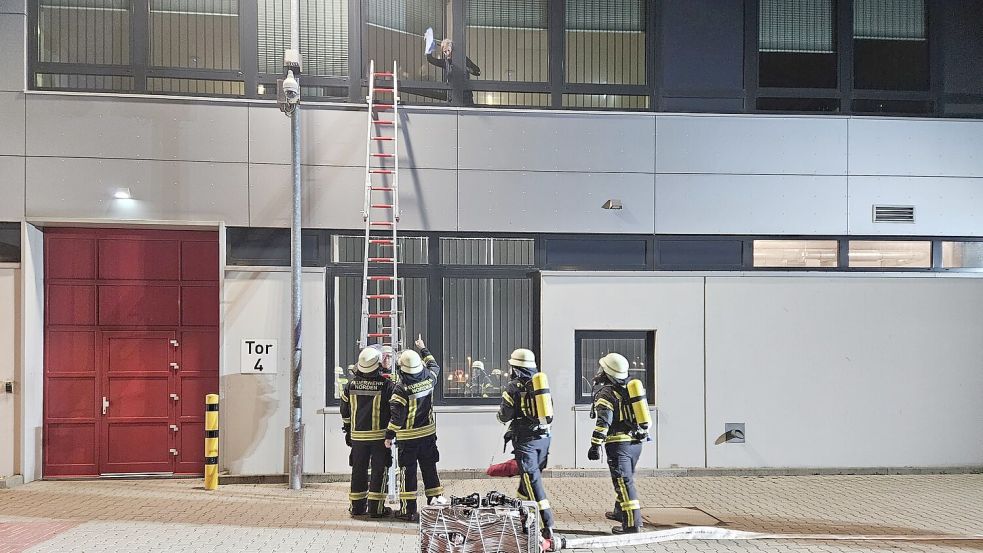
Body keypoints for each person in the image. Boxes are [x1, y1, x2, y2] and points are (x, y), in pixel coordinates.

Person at [496, 348, 560, 549]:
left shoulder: (514, 387)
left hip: (526, 442)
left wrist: (501, 417)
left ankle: (546, 525)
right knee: (527, 482)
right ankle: (521, 517)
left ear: (516, 367)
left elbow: (505, 415)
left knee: (533, 483)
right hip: (544, 439)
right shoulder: (541, 382)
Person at [587, 353, 650, 534]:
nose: (598, 372)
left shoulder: (607, 393)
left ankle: (632, 525)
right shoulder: (630, 388)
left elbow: (603, 423)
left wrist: (595, 445)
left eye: (602, 369)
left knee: (623, 482)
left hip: (618, 444)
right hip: (636, 443)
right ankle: (620, 512)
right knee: (625, 479)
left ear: (607, 372)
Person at [385, 335, 444, 522]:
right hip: (428, 436)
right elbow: (435, 366)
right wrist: (423, 348)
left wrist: (389, 435)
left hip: (408, 440)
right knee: (429, 470)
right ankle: (435, 508)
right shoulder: (429, 378)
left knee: (407, 473)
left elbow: (397, 418)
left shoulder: (400, 389)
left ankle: (408, 511)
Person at [341, 346, 396, 518]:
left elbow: (345, 412)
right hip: (380, 438)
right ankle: (376, 508)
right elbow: (394, 410)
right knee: (379, 471)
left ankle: (357, 508)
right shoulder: (387, 385)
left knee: (358, 471)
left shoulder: (350, 385)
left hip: (357, 438)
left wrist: (348, 432)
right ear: (377, 365)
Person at [426, 38, 481, 105]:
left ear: (452, 49)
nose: (447, 53)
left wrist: (468, 69)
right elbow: (430, 59)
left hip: (466, 97)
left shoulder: (463, 59)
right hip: (452, 97)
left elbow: (477, 71)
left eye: (448, 50)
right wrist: (429, 46)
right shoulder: (445, 62)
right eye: (445, 52)